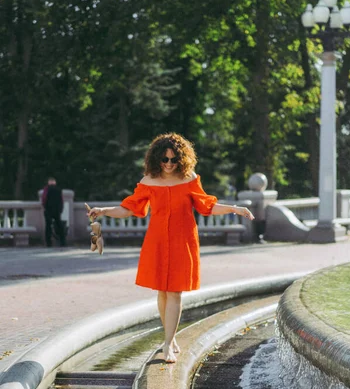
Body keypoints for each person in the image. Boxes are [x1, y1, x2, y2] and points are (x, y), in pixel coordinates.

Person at [88, 133, 254, 364]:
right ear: (156, 159)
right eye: (164, 160)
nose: (168, 164)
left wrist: (234, 209)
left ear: (181, 159)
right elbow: (129, 209)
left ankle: (167, 343)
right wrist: (104, 211)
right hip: (156, 241)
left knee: (175, 291)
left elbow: (207, 206)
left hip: (182, 240)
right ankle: (171, 337)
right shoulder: (148, 181)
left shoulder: (189, 179)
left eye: (173, 160)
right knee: (162, 291)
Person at [41, 177, 66, 247]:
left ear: (49, 182)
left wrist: (45, 207)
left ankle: (48, 242)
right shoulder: (58, 189)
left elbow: (44, 198)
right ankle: (63, 241)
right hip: (57, 210)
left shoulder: (46, 189)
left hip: (48, 209)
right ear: (55, 182)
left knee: (48, 226)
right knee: (59, 225)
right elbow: (61, 200)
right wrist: (60, 209)